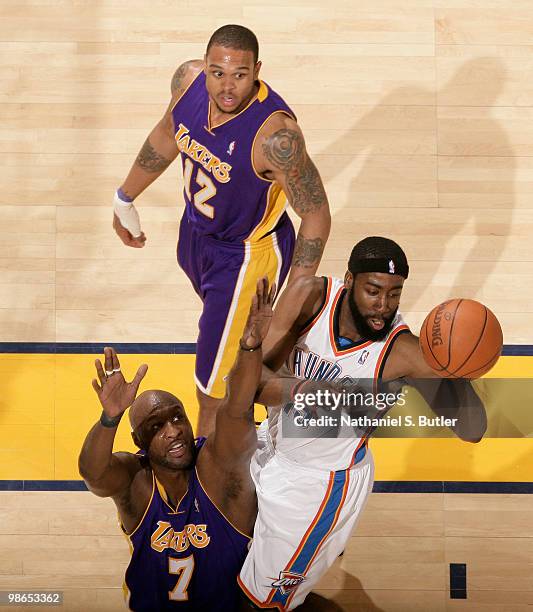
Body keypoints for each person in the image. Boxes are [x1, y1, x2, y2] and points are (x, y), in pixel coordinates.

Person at [238, 236, 487, 610]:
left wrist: (453, 369)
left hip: (319, 485)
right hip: (268, 446)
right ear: (349, 280)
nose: (383, 306)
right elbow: (252, 384)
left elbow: (472, 429)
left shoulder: (403, 353)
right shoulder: (311, 297)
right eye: (373, 290)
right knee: (228, 550)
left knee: (262, 603)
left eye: (395, 294)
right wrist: (309, 389)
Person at [111, 24, 331, 436]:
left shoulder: (276, 136)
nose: (227, 87)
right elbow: (165, 134)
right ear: (206, 66)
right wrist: (124, 198)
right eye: (218, 73)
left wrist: (294, 299)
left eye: (240, 75)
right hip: (197, 237)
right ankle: (269, 368)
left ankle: (211, 489)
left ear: (257, 70)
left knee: (213, 392)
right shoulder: (188, 82)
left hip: (246, 259)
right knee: (236, 356)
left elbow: (317, 214)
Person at [78, 278, 276, 611]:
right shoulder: (135, 481)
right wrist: (109, 418)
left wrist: (250, 346)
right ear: (139, 442)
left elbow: (237, 406)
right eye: (156, 427)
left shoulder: (216, 465)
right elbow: (93, 474)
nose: (173, 431)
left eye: (177, 418)